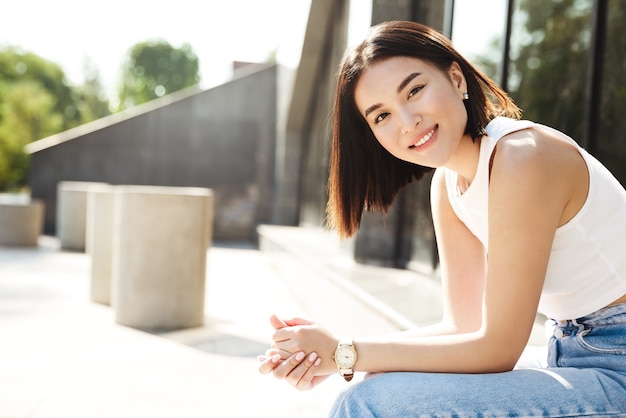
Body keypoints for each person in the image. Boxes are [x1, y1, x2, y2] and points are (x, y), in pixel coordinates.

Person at [258, 20, 626, 417]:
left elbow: (498, 347)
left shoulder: (522, 158)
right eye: (381, 116)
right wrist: (333, 353)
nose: (407, 122)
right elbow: (464, 327)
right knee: (378, 385)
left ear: (456, 78)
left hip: (616, 362)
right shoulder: (449, 188)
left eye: (414, 90)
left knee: (370, 403)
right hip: (568, 350)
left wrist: (344, 355)